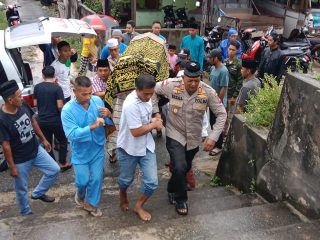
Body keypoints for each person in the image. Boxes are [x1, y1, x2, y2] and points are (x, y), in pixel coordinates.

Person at [152, 61, 227, 215]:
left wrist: (213, 137)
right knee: (179, 166)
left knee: (184, 167)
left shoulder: (207, 91)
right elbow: (152, 89)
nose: (193, 84)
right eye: (189, 80)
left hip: (194, 137)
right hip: (175, 133)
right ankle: (181, 199)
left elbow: (222, 114)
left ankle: (171, 188)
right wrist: (156, 112)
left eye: (196, 80)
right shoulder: (171, 85)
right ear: (183, 78)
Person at [0, 80, 60, 215]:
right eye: (19, 96)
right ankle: (26, 212)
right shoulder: (2, 120)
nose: (22, 98)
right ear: (10, 100)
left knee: (54, 170)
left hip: (36, 149)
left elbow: (33, 121)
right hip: (20, 159)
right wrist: (12, 166)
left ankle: (38, 193)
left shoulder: (23, 105)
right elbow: (6, 145)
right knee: (21, 188)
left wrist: (44, 139)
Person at [61, 76, 113, 217]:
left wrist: (108, 114)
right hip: (81, 151)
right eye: (84, 94)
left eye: (90, 92)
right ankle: (81, 194)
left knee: (97, 178)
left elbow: (107, 120)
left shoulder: (96, 100)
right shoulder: (67, 110)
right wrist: (92, 126)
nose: (89, 96)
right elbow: (71, 134)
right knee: (82, 181)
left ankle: (91, 204)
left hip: (97, 147)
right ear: (74, 92)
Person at [117, 74, 162, 221]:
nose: (149, 96)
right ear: (136, 89)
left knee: (152, 182)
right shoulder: (131, 104)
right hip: (128, 148)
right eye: (146, 93)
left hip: (146, 146)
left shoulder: (147, 98)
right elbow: (135, 132)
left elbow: (144, 118)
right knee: (125, 180)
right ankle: (122, 193)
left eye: (151, 93)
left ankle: (138, 205)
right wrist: (154, 124)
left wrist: (153, 119)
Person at [33, 66, 71, 172]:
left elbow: (35, 103)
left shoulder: (37, 87)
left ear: (43, 75)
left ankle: (53, 164)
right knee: (63, 140)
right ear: (54, 75)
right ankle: (63, 163)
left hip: (42, 120)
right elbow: (59, 106)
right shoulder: (57, 88)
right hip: (55, 120)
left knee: (47, 142)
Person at [208, 49, 229, 156]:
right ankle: (215, 142)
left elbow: (223, 88)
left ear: (216, 58)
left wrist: (218, 102)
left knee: (218, 125)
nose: (209, 59)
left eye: (211, 57)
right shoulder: (212, 68)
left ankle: (219, 146)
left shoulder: (223, 71)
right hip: (211, 102)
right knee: (212, 124)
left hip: (218, 103)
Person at [225, 40, 243, 108]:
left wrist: (234, 96)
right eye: (230, 49)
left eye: (233, 50)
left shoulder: (239, 64)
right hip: (223, 92)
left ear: (237, 51)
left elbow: (240, 81)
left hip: (231, 95)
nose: (231, 51)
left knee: (229, 115)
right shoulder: (225, 62)